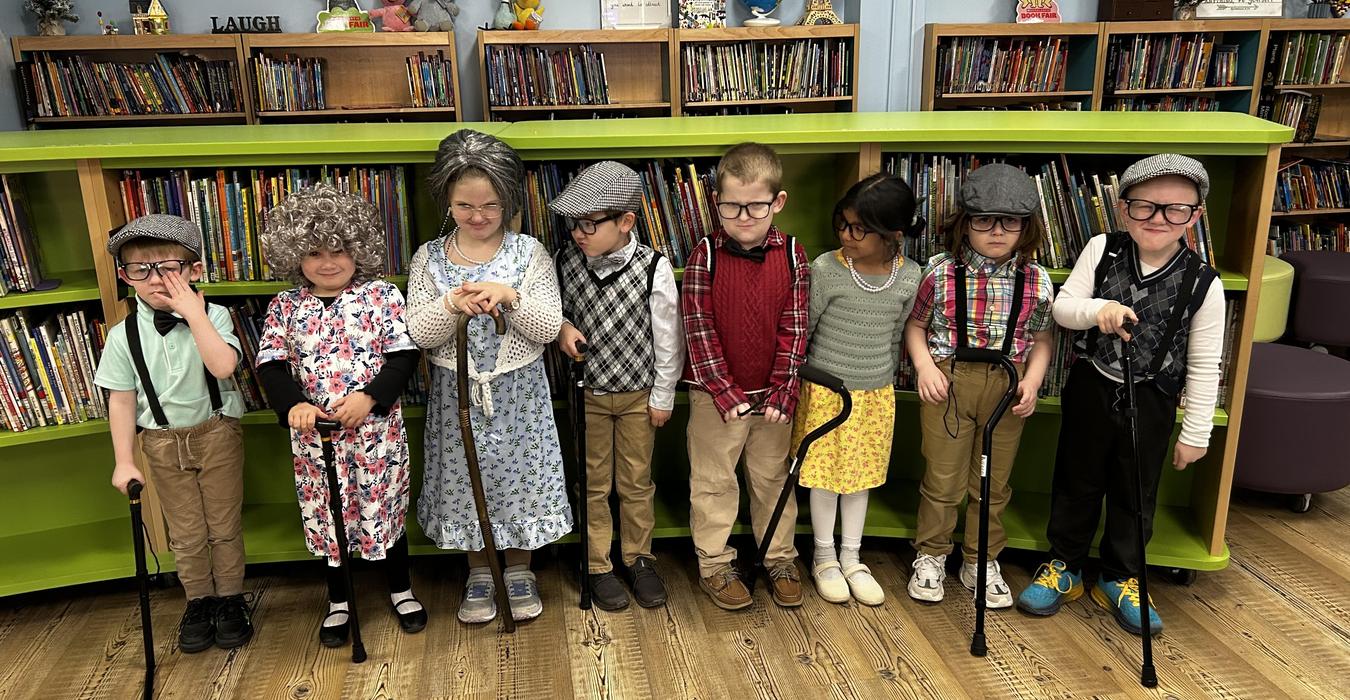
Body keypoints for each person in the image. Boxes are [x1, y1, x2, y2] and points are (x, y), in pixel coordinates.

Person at [1017, 154, 1223, 636]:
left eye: (1175, 209)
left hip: (1152, 397)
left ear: (1194, 215)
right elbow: (1063, 308)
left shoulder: (1203, 282)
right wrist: (1097, 310)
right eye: (1144, 206)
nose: (1158, 219)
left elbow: (1203, 365)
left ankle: (1121, 575)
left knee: (1136, 489)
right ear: (1123, 208)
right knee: (1077, 478)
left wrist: (1196, 433)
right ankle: (1065, 564)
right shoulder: (1103, 249)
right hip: (1092, 385)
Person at [407, 129, 570, 625]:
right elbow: (418, 332)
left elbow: (548, 327)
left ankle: (520, 568)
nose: (477, 217)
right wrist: (450, 303)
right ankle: (479, 569)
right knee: (464, 479)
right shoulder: (429, 259)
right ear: (447, 201)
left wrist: (511, 297)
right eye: (464, 206)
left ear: (508, 202)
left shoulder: (530, 253)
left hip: (520, 394)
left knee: (521, 480)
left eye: (490, 206)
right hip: (456, 393)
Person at [255, 183, 426, 647]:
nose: (327, 262)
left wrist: (370, 397)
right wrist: (294, 404)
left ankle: (401, 588)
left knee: (384, 507)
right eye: (314, 252)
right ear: (295, 255)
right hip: (316, 438)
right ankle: (339, 600)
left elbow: (403, 355)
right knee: (327, 513)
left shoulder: (381, 296)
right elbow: (270, 363)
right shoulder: (285, 306)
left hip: (376, 435)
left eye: (338, 250)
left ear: (358, 249)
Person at [96, 214, 254, 652]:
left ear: (194, 270)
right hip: (161, 442)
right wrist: (124, 461)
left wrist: (193, 313)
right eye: (140, 270)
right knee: (185, 531)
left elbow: (222, 366)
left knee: (223, 525)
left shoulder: (215, 316)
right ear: (125, 277)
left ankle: (230, 599)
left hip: (217, 432)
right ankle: (198, 600)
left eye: (167, 268)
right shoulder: (123, 335)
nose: (155, 279)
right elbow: (121, 400)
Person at [904, 163, 1056, 609]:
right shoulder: (939, 272)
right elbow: (915, 326)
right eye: (984, 220)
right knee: (942, 478)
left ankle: (981, 559)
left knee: (992, 482)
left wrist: (1032, 380)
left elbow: (1042, 339)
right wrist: (924, 366)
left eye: (1009, 222)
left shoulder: (1037, 279)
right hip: (948, 382)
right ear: (965, 223)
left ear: (1026, 226)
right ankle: (931, 554)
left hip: (1008, 387)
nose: (997, 231)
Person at [551, 161, 685, 610]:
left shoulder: (653, 267)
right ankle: (596, 564)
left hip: (637, 396)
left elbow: (668, 337)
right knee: (592, 482)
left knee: (635, 480)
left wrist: (663, 394)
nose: (579, 233)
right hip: (587, 393)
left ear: (626, 221)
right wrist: (563, 327)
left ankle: (638, 557)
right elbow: (553, 310)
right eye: (574, 223)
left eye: (590, 223)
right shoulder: (566, 261)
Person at [682, 142, 810, 610]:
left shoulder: (794, 255)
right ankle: (715, 563)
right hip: (714, 396)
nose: (743, 217)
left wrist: (784, 390)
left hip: (772, 397)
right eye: (731, 206)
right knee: (713, 482)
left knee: (772, 479)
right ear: (717, 202)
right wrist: (724, 391)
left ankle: (779, 557)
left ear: (778, 202)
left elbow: (795, 329)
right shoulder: (705, 255)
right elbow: (698, 329)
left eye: (755, 206)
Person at [795, 173, 925, 607]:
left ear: (893, 233)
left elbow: (898, 333)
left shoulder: (910, 277)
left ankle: (852, 556)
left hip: (875, 395)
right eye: (843, 225)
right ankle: (824, 556)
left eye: (859, 229)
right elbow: (805, 330)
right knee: (824, 479)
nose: (847, 236)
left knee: (860, 479)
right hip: (827, 394)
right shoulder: (826, 269)